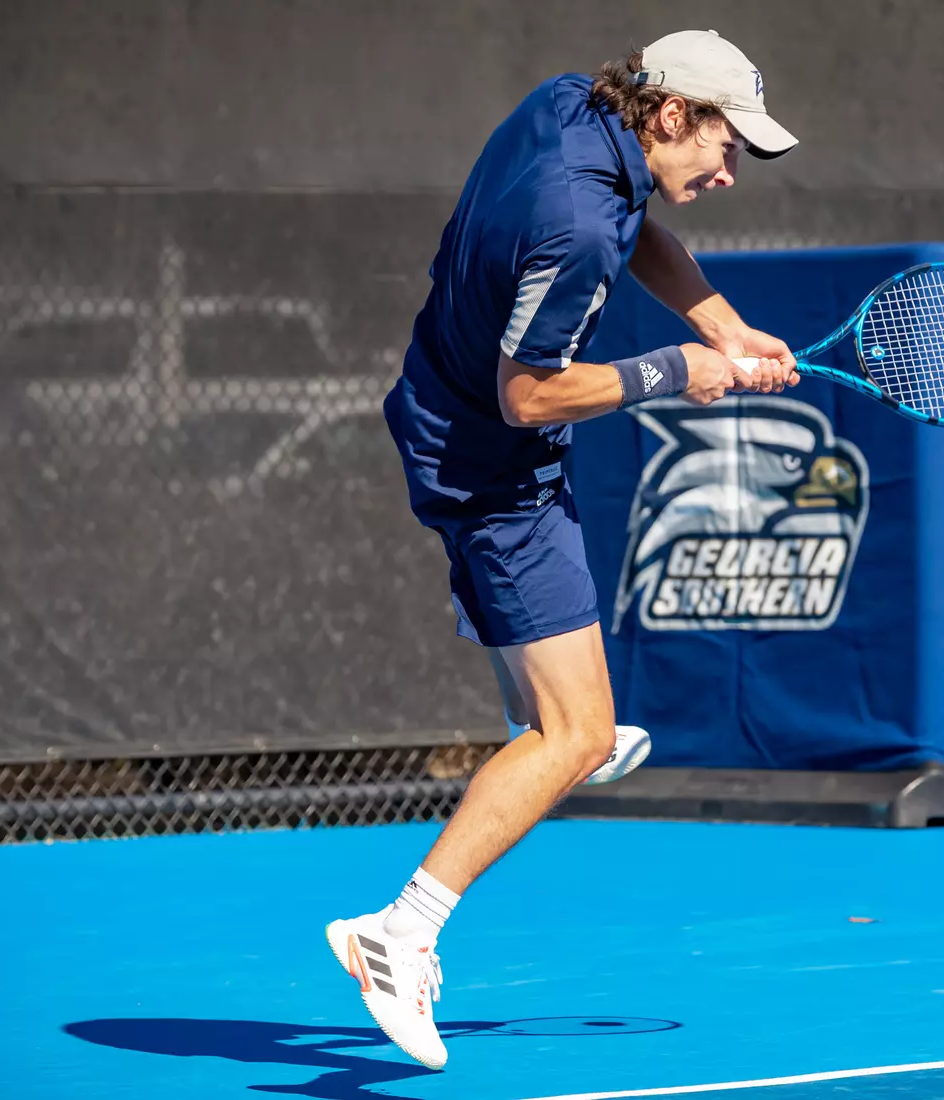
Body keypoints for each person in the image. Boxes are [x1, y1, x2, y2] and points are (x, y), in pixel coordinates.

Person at [326, 29, 800, 1070]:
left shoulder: (573, 108)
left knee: (561, 714)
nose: (728, 171)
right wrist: (678, 368)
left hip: (441, 411)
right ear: (670, 111)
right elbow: (530, 392)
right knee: (579, 736)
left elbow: (634, 231)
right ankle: (397, 931)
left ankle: (538, 717)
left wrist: (724, 327)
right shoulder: (577, 218)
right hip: (495, 464)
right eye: (725, 145)